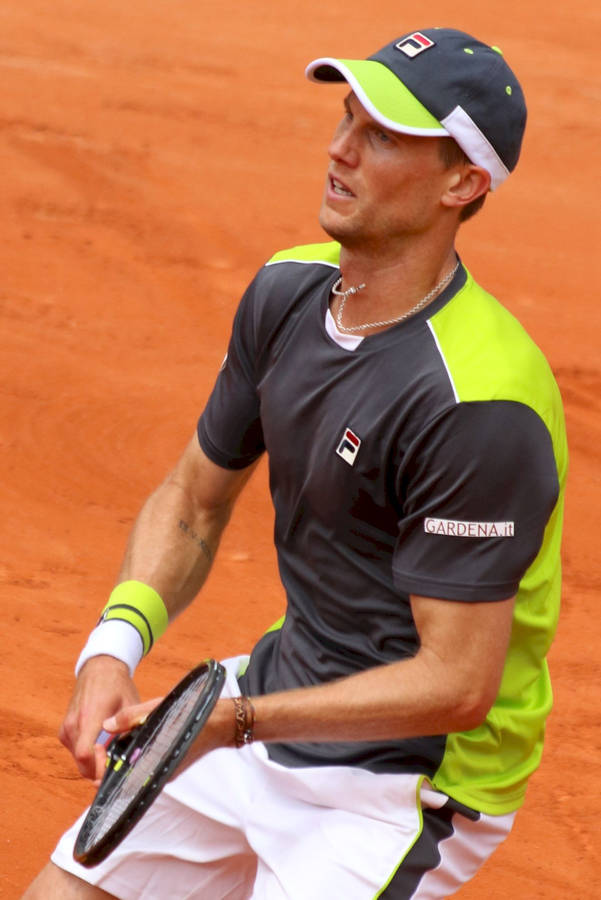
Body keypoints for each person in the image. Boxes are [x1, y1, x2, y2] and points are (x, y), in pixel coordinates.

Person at [24, 27, 567, 900]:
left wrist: (230, 722)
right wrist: (111, 647)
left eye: (382, 136)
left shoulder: (478, 403)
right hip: (272, 703)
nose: (338, 148)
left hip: (405, 781)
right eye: (347, 117)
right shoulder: (287, 293)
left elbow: (457, 684)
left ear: (462, 184)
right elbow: (195, 502)